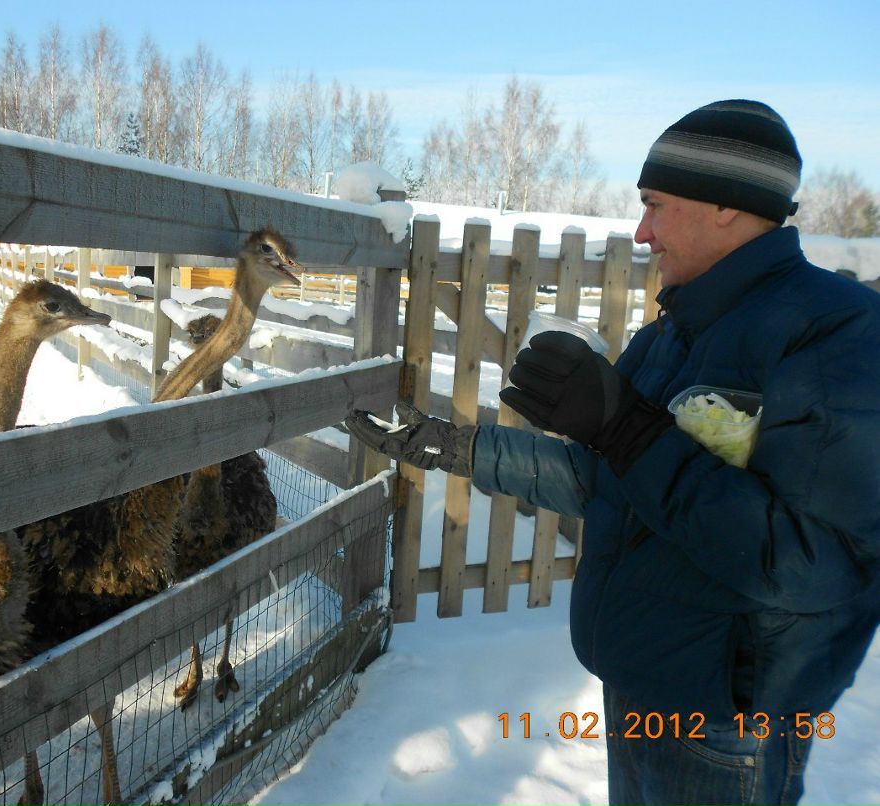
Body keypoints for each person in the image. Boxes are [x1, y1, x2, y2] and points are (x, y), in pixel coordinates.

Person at [346, 100, 880, 806]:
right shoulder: (674, 332)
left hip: (728, 724)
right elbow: (610, 477)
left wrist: (631, 429)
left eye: (655, 205)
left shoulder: (834, 334)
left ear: (727, 204)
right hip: (642, 686)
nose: (642, 232)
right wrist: (453, 446)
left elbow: (814, 562)